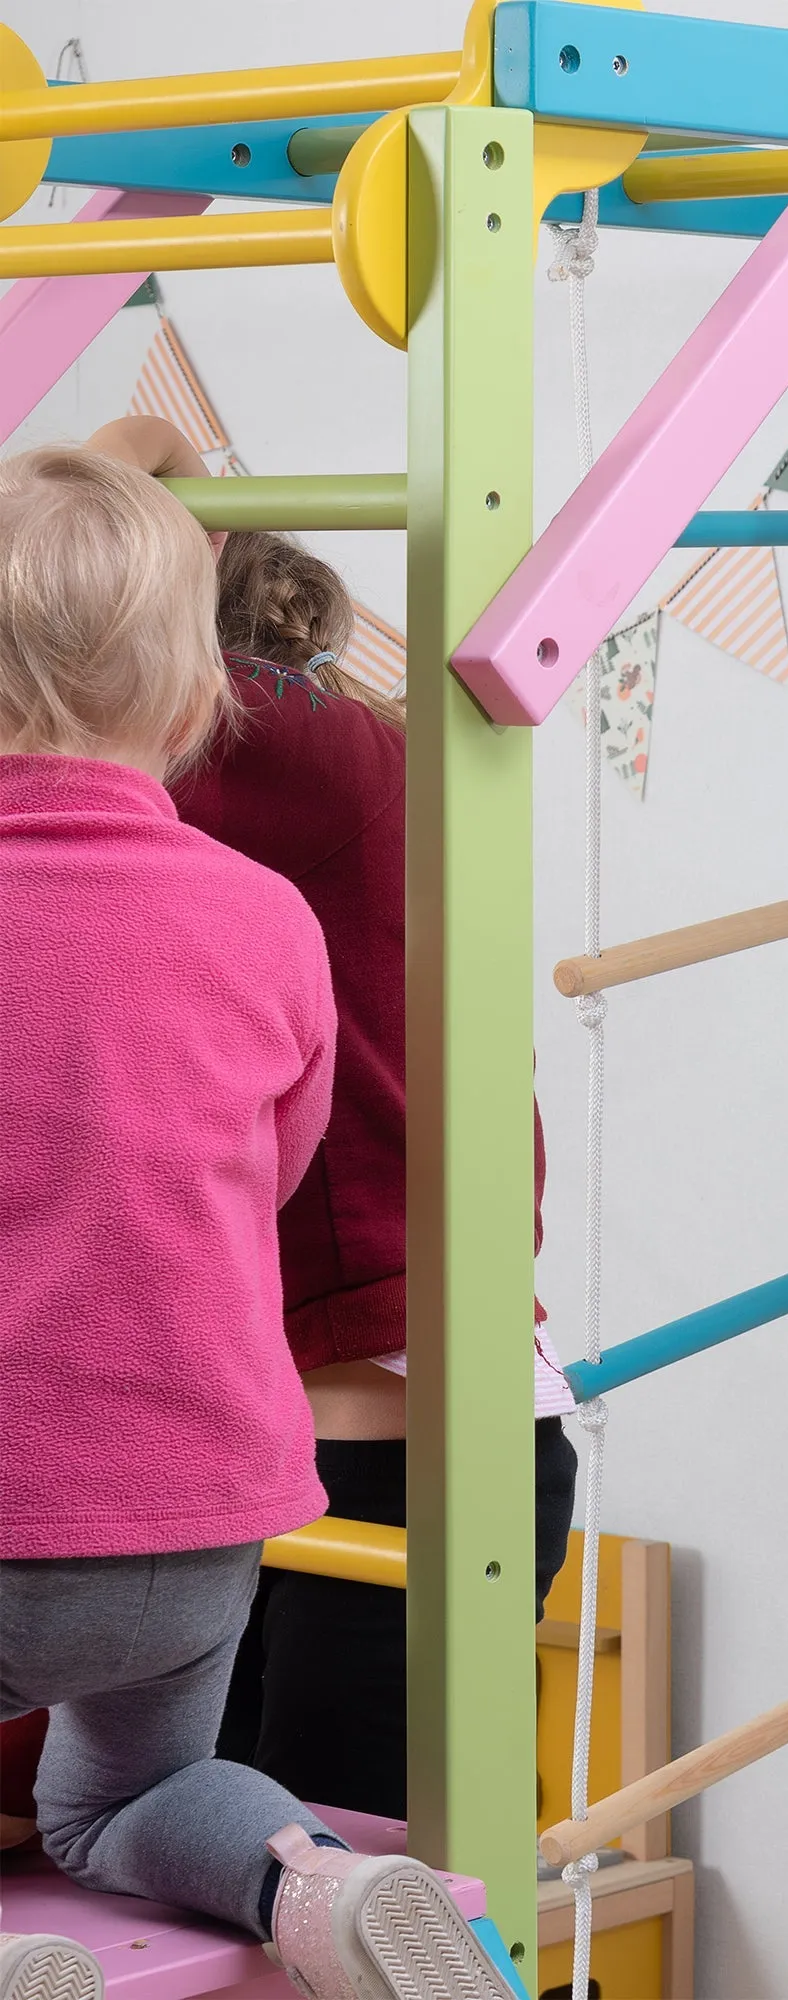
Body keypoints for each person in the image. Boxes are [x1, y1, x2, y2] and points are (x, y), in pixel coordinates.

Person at [0, 442, 510, 1999]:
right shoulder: (260, 917)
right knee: (126, 1798)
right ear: (187, 706)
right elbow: (271, 1170)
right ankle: (322, 1891)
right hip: (197, 1523)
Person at [84, 418, 580, 1822]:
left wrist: (128, 479)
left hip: (405, 1447)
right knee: (203, 1857)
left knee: (343, 1877)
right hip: (282, 1448)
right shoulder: (210, 835)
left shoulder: (304, 756)